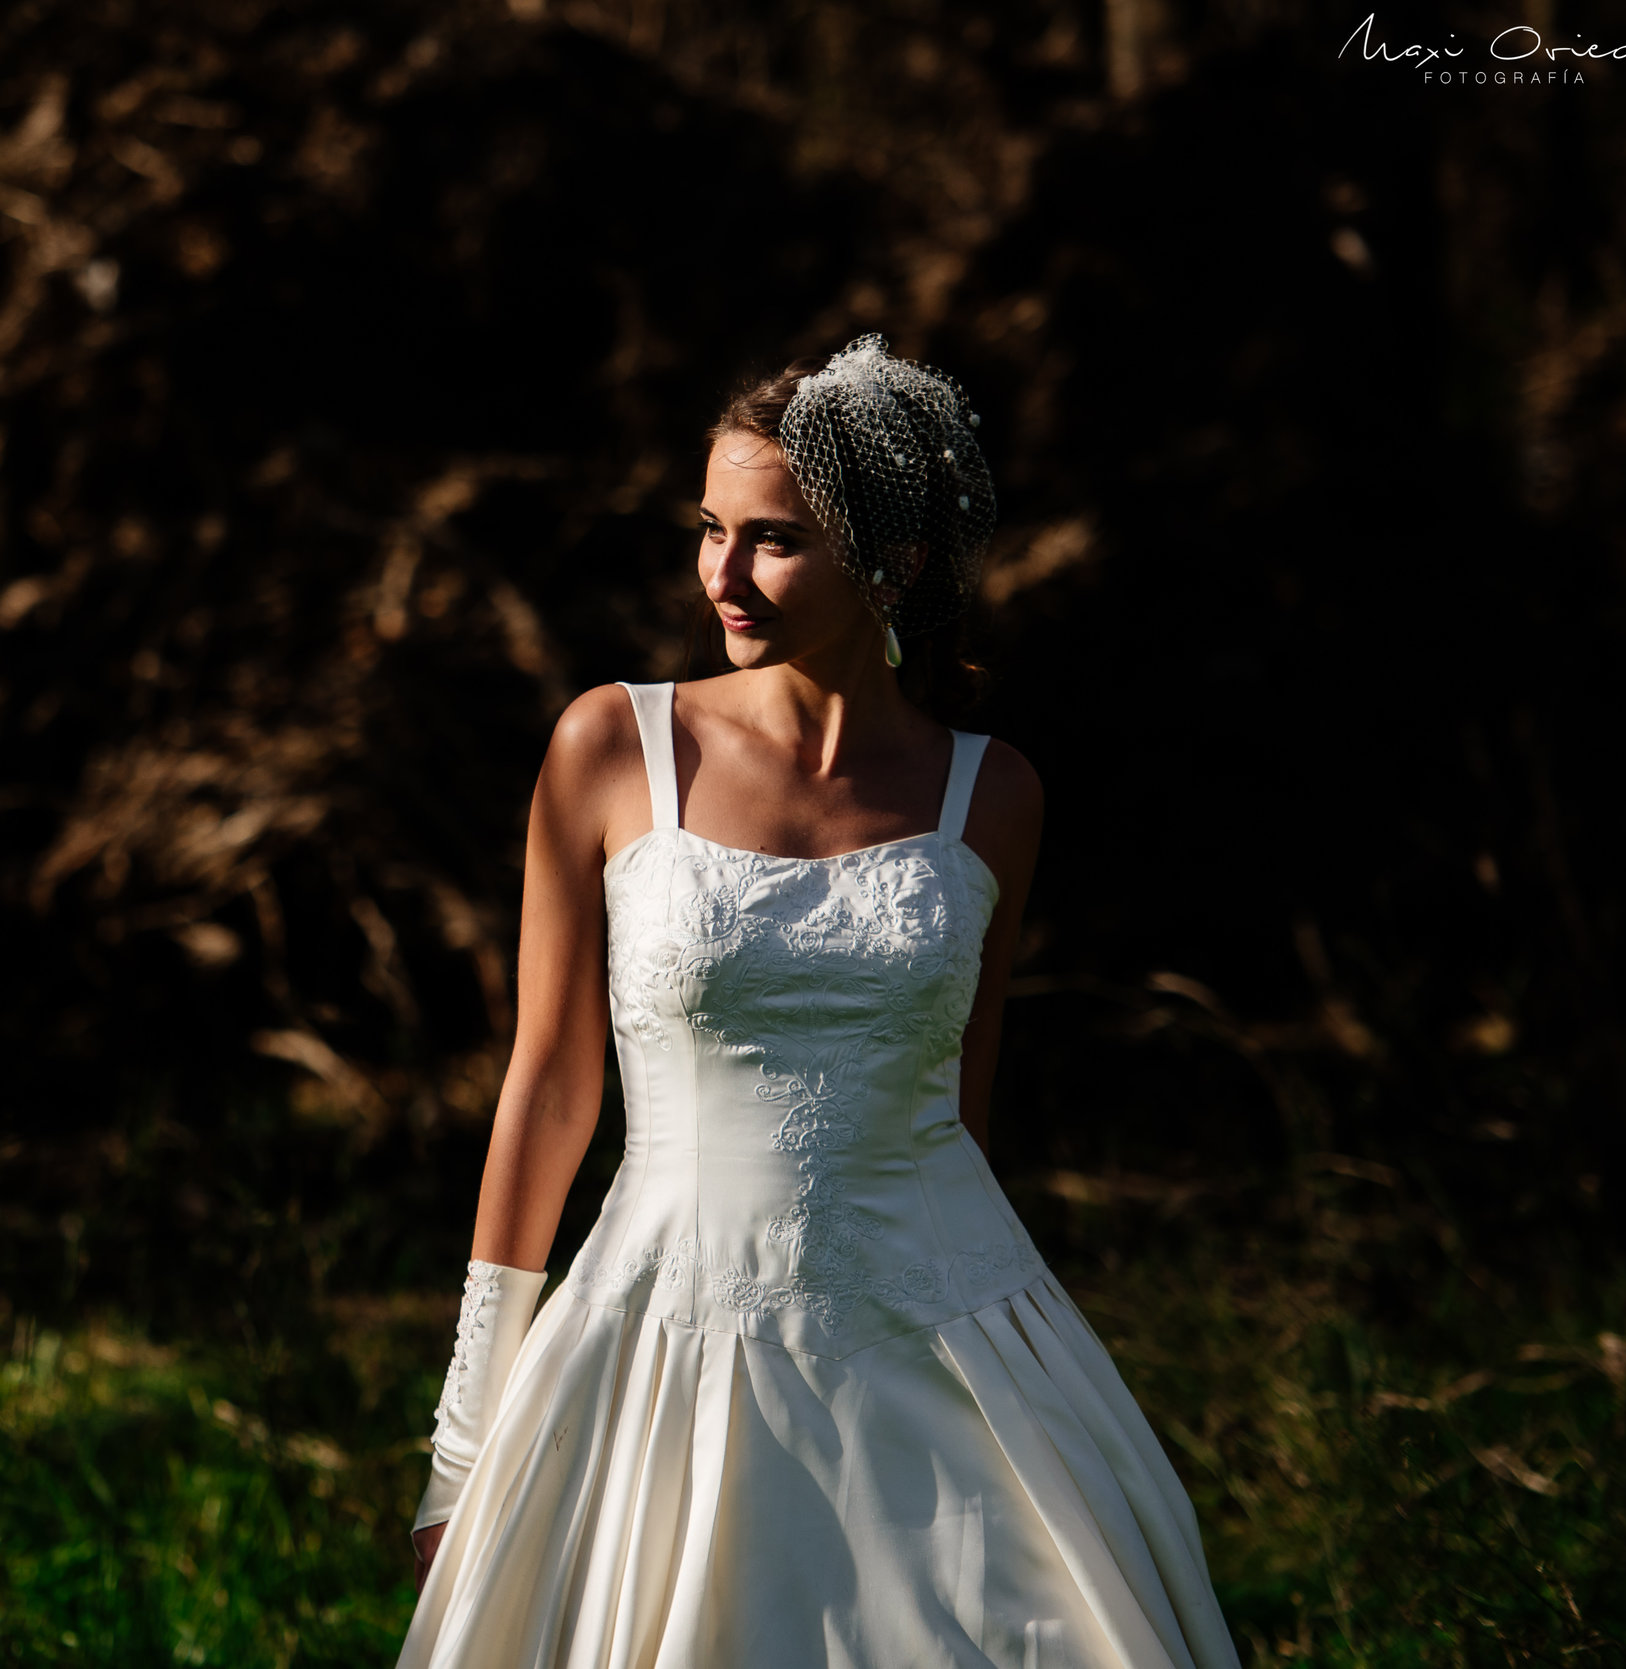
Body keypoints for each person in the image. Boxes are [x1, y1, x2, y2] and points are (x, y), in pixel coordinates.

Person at [397, 337, 1241, 1668]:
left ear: (892, 563)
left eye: (774, 540)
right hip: (663, 1331)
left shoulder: (995, 794)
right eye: (710, 529)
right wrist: (468, 1432)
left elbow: (962, 1102)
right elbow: (551, 1093)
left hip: (945, 1346)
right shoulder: (612, 745)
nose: (721, 576)